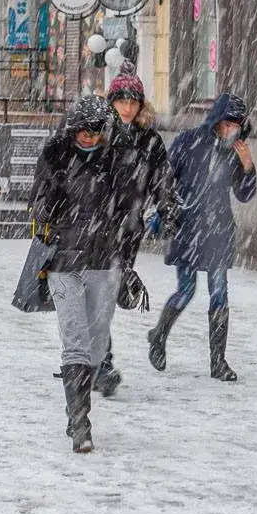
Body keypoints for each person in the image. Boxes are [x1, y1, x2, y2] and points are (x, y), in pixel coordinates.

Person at [31, 95, 129, 453]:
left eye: (96, 132)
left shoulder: (114, 160)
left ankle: (78, 408)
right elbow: (37, 204)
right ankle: (80, 423)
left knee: (97, 344)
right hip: (64, 262)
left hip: (103, 262)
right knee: (75, 340)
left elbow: (126, 213)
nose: (90, 138)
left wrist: (126, 261)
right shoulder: (55, 157)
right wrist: (50, 204)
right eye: (85, 132)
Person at [147, 93, 257, 382]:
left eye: (236, 125)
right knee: (186, 290)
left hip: (218, 231)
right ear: (217, 120)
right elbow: (166, 178)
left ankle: (218, 362)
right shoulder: (189, 141)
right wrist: (166, 210)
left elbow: (245, 194)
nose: (230, 129)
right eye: (227, 123)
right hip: (188, 227)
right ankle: (158, 336)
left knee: (219, 292)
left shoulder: (235, 151)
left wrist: (247, 166)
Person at [94, 66, 174, 397]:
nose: (127, 108)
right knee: (99, 293)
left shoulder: (149, 141)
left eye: (133, 102)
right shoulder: (98, 134)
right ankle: (101, 363)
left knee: (108, 293)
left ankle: (94, 357)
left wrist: (167, 211)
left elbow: (162, 180)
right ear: (111, 102)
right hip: (96, 226)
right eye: (121, 101)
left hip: (128, 229)